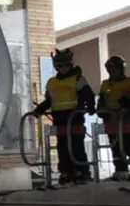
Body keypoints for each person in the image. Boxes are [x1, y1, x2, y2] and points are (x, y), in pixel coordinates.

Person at [33, 49, 95, 185]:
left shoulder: (77, 79)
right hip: (60, 120)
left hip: (74, 119)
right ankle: (66, 172)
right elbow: (49, 100)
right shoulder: (52, 82)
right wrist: (39, 110)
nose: (62, 69)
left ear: (70, 64)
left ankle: (82, 171)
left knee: (77, 146)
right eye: (59, 66)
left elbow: (88, 94)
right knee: (63, 148)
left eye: (65, 65)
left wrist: (90, 108)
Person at [99, 56, 130, 182]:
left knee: (128, 145)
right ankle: (120, 170)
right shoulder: (105, 84)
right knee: (115, 146)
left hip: (127, 119)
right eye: (110, 69)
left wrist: (126, 104)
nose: (113, 72)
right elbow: (101, 100)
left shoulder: (128, 82)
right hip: (111, 119)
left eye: (115, 69)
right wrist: (102, 111)